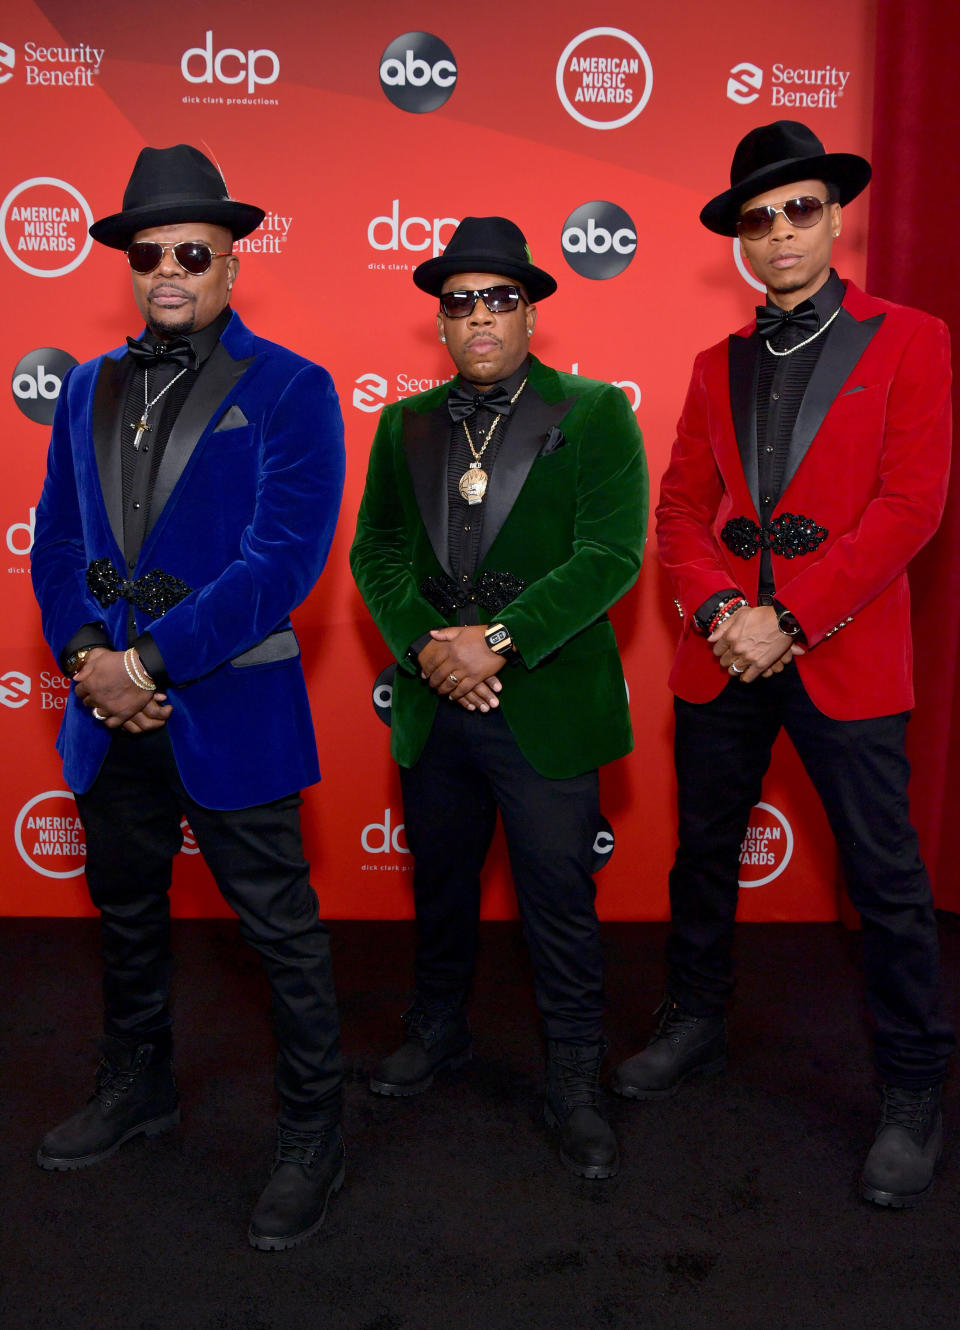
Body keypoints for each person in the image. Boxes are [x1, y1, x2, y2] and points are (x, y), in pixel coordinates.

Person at [613, 121, 954, 1208]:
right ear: (740, 244)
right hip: (724, 653)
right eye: (758, 219)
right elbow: (677, 509)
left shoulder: (911, 338)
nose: (780, 233)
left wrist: (791, 618)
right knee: (704, 851)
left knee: (888, 882)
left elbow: (911, 509)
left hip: (840, 651)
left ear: (837, 216)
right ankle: (696, 1018)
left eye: (799, 208)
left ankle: (912, 1090)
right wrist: (721, 606)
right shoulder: (717, 364)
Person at [30, 144, 347, 1250]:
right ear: (129, 260)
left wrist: (149, 665)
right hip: (104, 709)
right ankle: (139, 1086)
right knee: (126, 913)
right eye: (149, 250)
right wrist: (88, 661)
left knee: (280, 932)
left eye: (193, 251)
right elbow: (58, 540)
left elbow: (282, 560)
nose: (170, 269)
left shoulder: (293, 388)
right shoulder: (84, 384)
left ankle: (315, 1133)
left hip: (223, 704)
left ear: (230, 259)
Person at [350, 217, 647, 1179]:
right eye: (460, 302)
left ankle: (572, 1077)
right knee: (440, 884)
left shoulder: (596, 413)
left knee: (558, 899)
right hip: (438, 700)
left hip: (546, 702)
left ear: (532, 311)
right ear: (440, 322)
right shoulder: (405, 422)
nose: (479, 315)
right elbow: (376, 552)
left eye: (500, 298)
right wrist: (429, 648)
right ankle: (439, 1031)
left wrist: (500, 643)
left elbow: (609, 556)